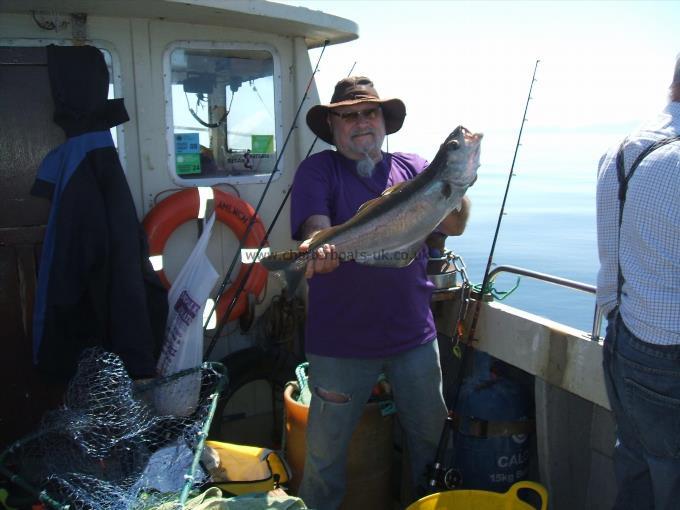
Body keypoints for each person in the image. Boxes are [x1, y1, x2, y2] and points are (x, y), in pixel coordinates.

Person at [289, 76, 471, 509]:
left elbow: (456, 224)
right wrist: (317, 249)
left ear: (384, 121)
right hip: (340, 345)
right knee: (325, 455)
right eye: (347, 116)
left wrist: (457, 183)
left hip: (414, 338)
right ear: (332, 127)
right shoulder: (319, 170)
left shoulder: (415, 168)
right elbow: (315, 228)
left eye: (369, 112)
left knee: (430, 442)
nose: (360, 123)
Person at [597, 54, 680, 510]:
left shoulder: (624, 148)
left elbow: (614, 261)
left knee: (636, 468)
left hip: (624, 340)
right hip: (670, 356)